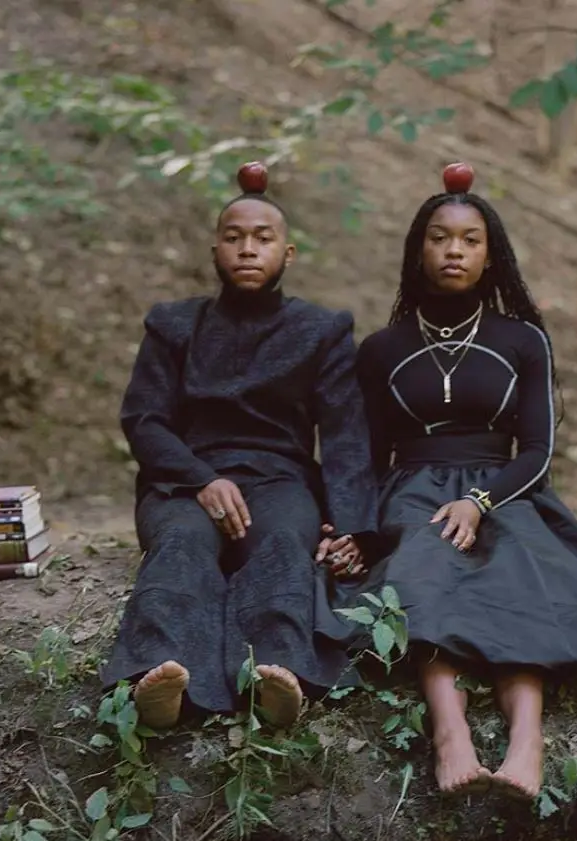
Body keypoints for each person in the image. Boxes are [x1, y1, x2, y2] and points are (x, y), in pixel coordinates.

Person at [324, 162, 577, 800]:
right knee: (422, 568)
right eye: (440, 237)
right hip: (413, 489)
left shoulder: (522, 340)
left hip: (505, 487)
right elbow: (363, 455)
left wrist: (479, 501)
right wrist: (353, 528)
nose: (454, 249)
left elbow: (537, 449)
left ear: (490, 254)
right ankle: (451, 734)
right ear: (417, 249)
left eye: (470, 239)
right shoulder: (381, 349)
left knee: (520, 573)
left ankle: (526, 741)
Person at [102, 162, 378, 730]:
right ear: (215, 251)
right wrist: (201, 478)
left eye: (262, 238)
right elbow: (145, 421)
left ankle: (276, 675)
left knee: (280, 544)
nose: (247, 249)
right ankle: (158, 678)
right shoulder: (174, 325)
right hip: (184, 482)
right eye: (234, 238)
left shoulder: (320, 331)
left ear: (288, 253)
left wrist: (353, 526)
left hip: (279, 481)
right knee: (181, 543)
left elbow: (347, 435)